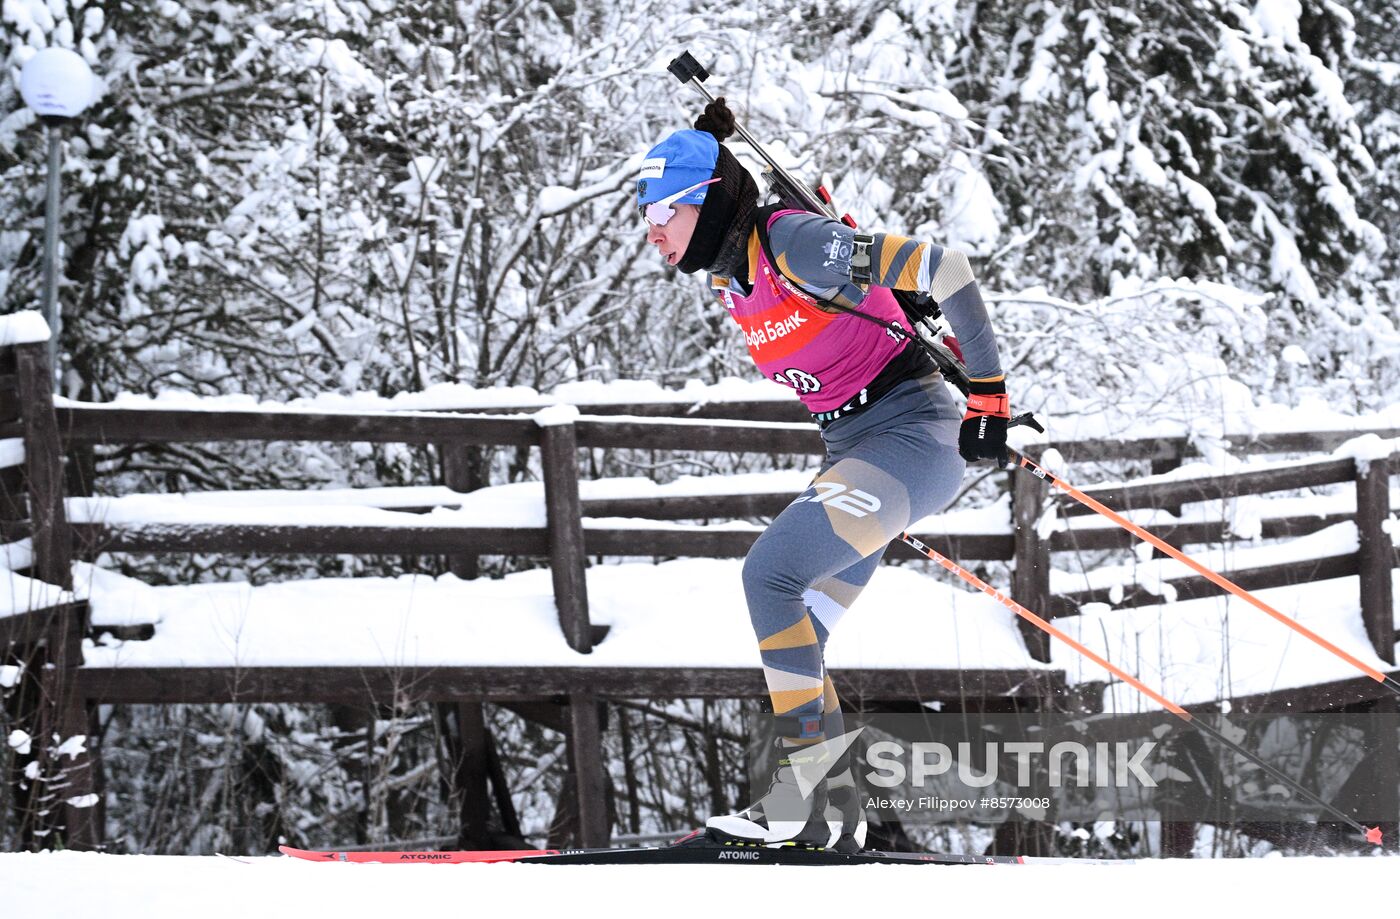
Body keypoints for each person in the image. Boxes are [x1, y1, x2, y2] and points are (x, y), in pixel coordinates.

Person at [637, 99, 1011, 852]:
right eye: (646, 215)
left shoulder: (794, 245)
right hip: (857, 451)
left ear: (705, 203)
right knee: (798, 614)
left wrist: (990, 395)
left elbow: (946, 267)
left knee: (770, 574)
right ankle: (823, 804)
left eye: (663, 211)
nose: (652, 230)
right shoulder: (732, 278)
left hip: (913, 435)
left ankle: (810, 805)